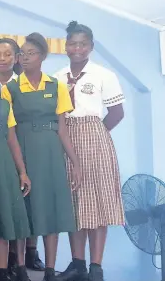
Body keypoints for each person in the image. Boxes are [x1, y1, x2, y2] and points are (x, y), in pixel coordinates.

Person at [1, 32, 81, 281]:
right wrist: (19, 166)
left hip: (51, 154)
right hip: (22, 151)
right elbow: (9, 131)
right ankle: (21, 268)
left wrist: (75, 162)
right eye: (22, 54)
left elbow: (62, 129)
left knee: (51, 209)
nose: (24, 58)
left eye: (30, 53)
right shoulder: (10, 89)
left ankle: (49, 270)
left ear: (43, 57)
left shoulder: (56, 86)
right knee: (24, 209)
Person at [53, 21, 125, 281]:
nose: (77, 48)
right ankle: (77, 264)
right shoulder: (59, 77)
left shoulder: (103, 75)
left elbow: (117, 113)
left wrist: (97, 134)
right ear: (65, 46)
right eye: (72, 43)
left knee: (98, 203)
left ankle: (96, 267)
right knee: (74, 204)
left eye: (83, 44)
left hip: (95, 139)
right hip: (66, 136)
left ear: (91, 47)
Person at [0, 39, 33, 281]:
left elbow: (12, 139)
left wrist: (22, 171)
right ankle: (1, 271)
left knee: (15, 214)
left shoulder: (5, 102)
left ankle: (21, 267)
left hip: (6, 162)